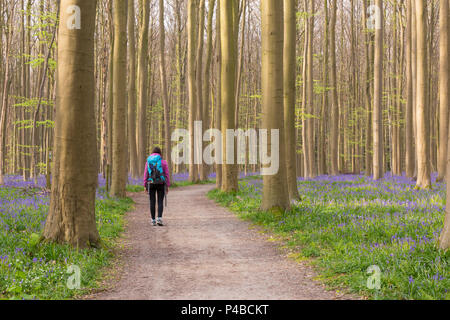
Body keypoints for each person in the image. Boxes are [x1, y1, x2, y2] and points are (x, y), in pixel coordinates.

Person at [143, 147, 170, 226]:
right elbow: (166, 174)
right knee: (160, 201)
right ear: (160, 153)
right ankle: (159, 218)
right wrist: (167, 185)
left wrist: (145, 184)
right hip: (161, 183)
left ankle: (153, 220)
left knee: (152, 201)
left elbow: (146, 174)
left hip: (151, 183)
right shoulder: (163, 162)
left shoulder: (148, 162)